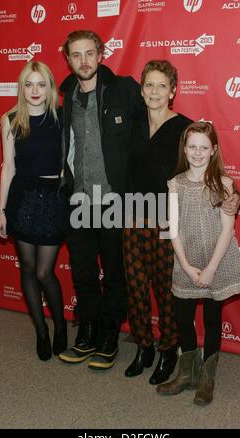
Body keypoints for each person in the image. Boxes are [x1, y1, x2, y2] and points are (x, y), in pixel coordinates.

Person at [58, 30, 145, 370]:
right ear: (68, 59)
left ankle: (109, 335)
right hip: (78, 200)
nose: (83, 61)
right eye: (76, 55)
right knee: (82, 273)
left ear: (101, 54)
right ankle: (88, 332)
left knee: (113, 273)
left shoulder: (124, 89)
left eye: (89, 53)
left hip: (112, 201)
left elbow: (150, 130)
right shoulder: (65, 99)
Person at [156, 121, 240, 405]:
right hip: (185, 262)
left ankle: (206, 378)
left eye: (203, 148)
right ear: (185, 148)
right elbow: (171, 229)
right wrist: (183, 263)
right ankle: (186, 373)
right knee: (182, 317)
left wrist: (210, 269)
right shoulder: (174, 184)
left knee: (211, 318)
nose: (197, 153)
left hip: (216, 264)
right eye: (192, 147)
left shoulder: (224, 183)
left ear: (213, 150)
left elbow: (227, 230)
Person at [123, 60, 192, 385]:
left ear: (173, 91)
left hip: (168, 222)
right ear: (141, 90)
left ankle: (167, 350)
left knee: (166, 291)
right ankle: (144, 347)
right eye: (148, 85)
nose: (154, 91)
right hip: (132, 218)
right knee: (136, 289)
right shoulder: (133, 124)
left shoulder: (185, 129)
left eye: (161, 85)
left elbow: (198, 175)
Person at [0, 61, 68, 361]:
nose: (35, 90)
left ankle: (61, 326)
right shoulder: (11, 120)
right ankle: (41, 331)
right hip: (23, 199)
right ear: (21, 88)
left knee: (44, 272)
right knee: (27, 269)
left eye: (41, 84)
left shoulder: (61, 118)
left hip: (53, 199)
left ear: (49, 87)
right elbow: (8, 168)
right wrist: (1, 211)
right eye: (29, 84)